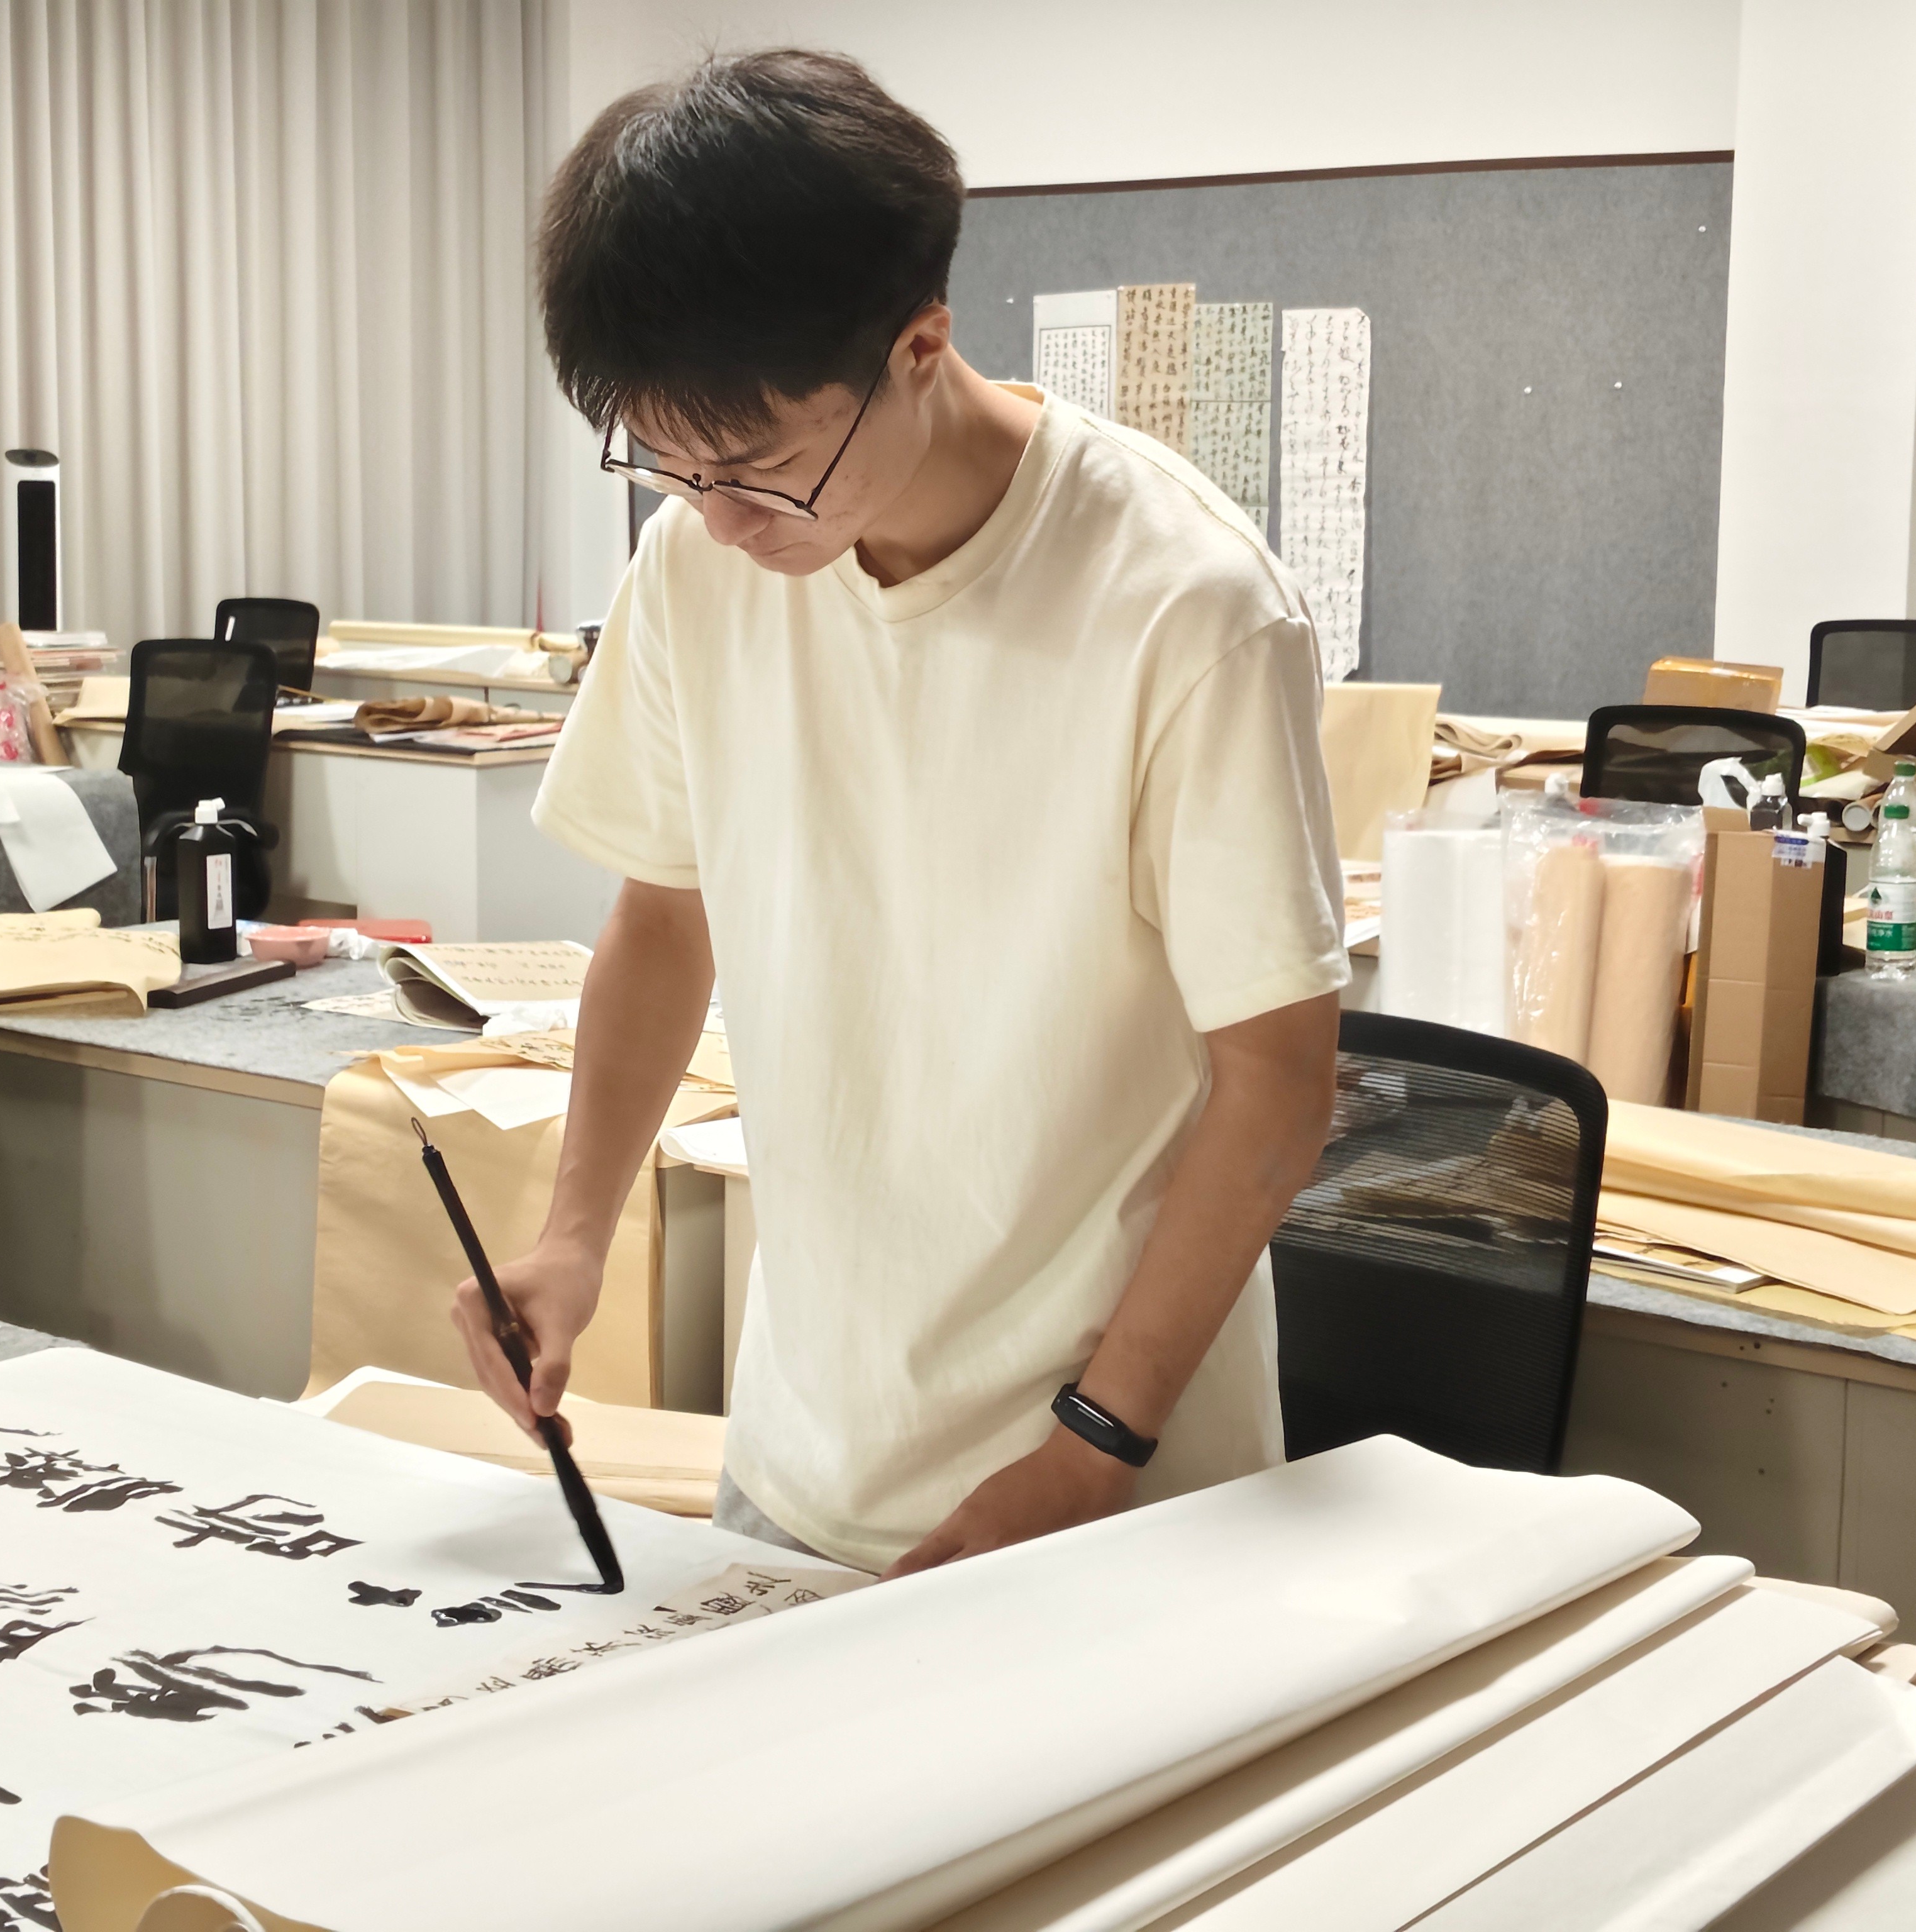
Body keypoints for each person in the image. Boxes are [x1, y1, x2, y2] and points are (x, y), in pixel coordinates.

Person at [451, 47, 1346, 1578]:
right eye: (667, 469)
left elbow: (1275, 1080)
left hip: (1106, 1481)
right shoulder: (696, 568)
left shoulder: (1183, 607)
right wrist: (572, 1237)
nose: (718, 522)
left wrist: (1091, 1451)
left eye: (758, 469)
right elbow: (663, 915)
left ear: (919, 345)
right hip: (801, 1453)